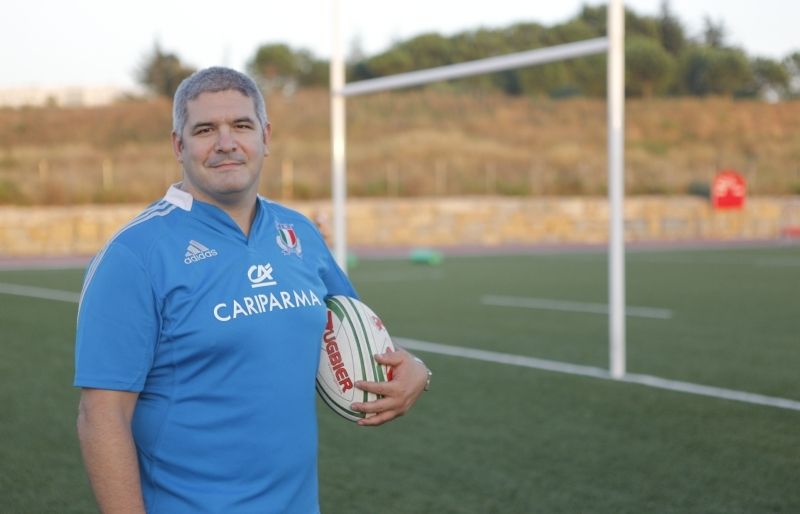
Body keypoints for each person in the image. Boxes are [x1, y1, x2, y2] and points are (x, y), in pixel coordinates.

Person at [74, 66, 431, 514]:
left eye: (241, 125)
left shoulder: (299, 233)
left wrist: (416, 369)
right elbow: (101, 416)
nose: (226, 143)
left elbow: (355, 331)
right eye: (205, 129)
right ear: (178, 145)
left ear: (265, 136)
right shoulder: (135, 254)